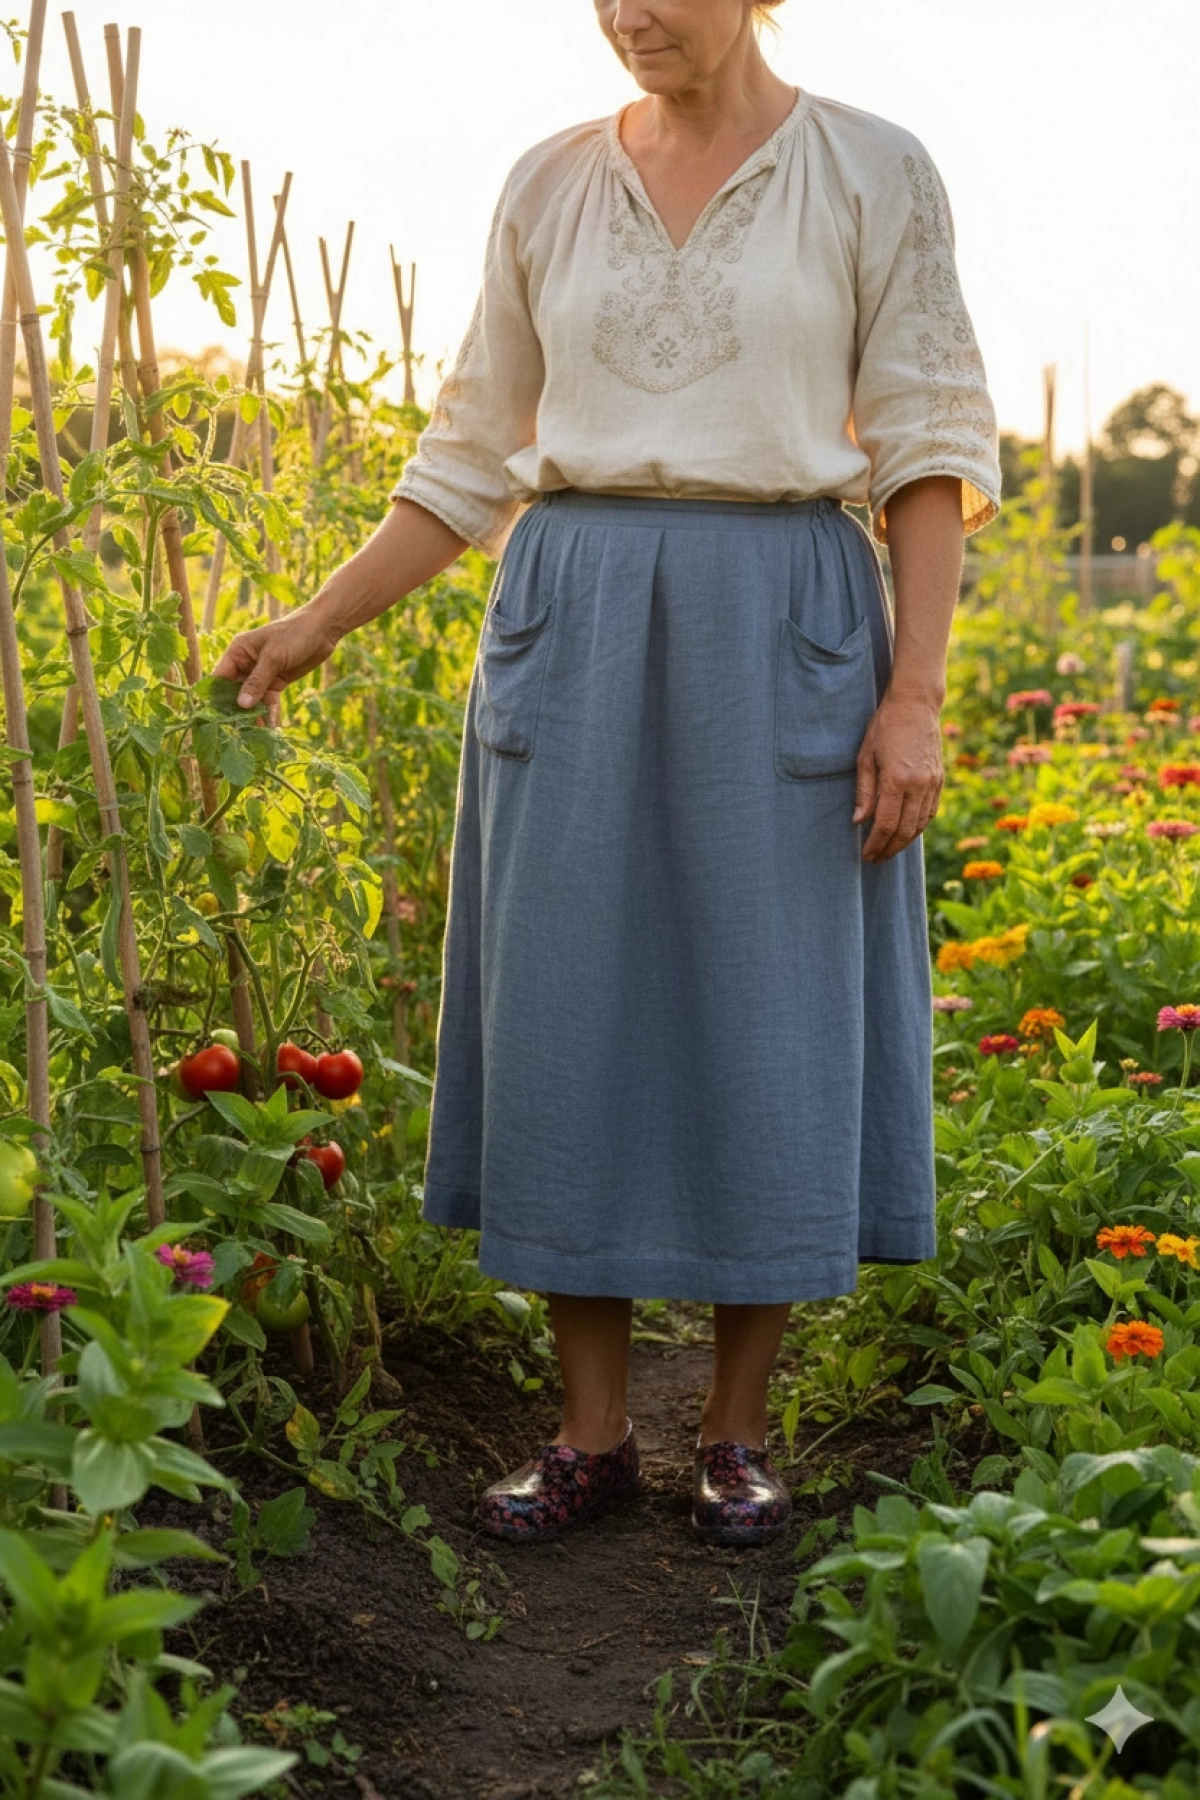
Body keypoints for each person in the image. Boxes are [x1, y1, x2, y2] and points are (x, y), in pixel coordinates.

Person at [212, 0, 1001, 1549]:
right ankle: (587, 1435)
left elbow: (924, 446)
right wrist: (313, 622)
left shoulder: (872, 170)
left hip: (787, 622)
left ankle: (735, 1431)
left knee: (771, 1013)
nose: (632, 12)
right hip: (571, 621)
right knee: (566, 999)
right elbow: (466, 456)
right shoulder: (546, 179)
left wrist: (915, 696)